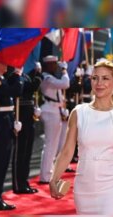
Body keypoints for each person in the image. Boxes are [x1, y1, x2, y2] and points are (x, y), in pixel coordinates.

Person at [49, 60, 113, 215]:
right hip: (83, 188)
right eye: (95, 78)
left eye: (105, 78)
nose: (99, 83)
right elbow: (67, 151)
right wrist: (53, 179)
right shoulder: (78, 112)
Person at [0, 60, 23, 211]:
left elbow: (15, 92)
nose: (7, 64)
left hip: (6, 120)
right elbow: (12, 91)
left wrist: (13, 120)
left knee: (3, 162)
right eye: (2, 62)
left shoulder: (2, 79)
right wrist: (18, 76)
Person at [12, 63, 42, 194]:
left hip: (28, 116)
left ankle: (24, 181)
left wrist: (37, 75)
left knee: (27, 151)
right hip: (20, 116)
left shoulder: (25, 76)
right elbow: (19, 91)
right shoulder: (13, 77)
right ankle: (18, 184)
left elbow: (33, 88)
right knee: (20, 152)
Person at [39, 55, 70, 183]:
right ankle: (45, 176)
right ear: (47, 65)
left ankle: (49, 172)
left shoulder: (51, 78)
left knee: (55, 144)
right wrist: (64, 71)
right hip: (49, 111)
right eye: (54, 64)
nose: (56, 66)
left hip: (55, 110)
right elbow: (65, 84)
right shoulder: (47, 78)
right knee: (50, 144)